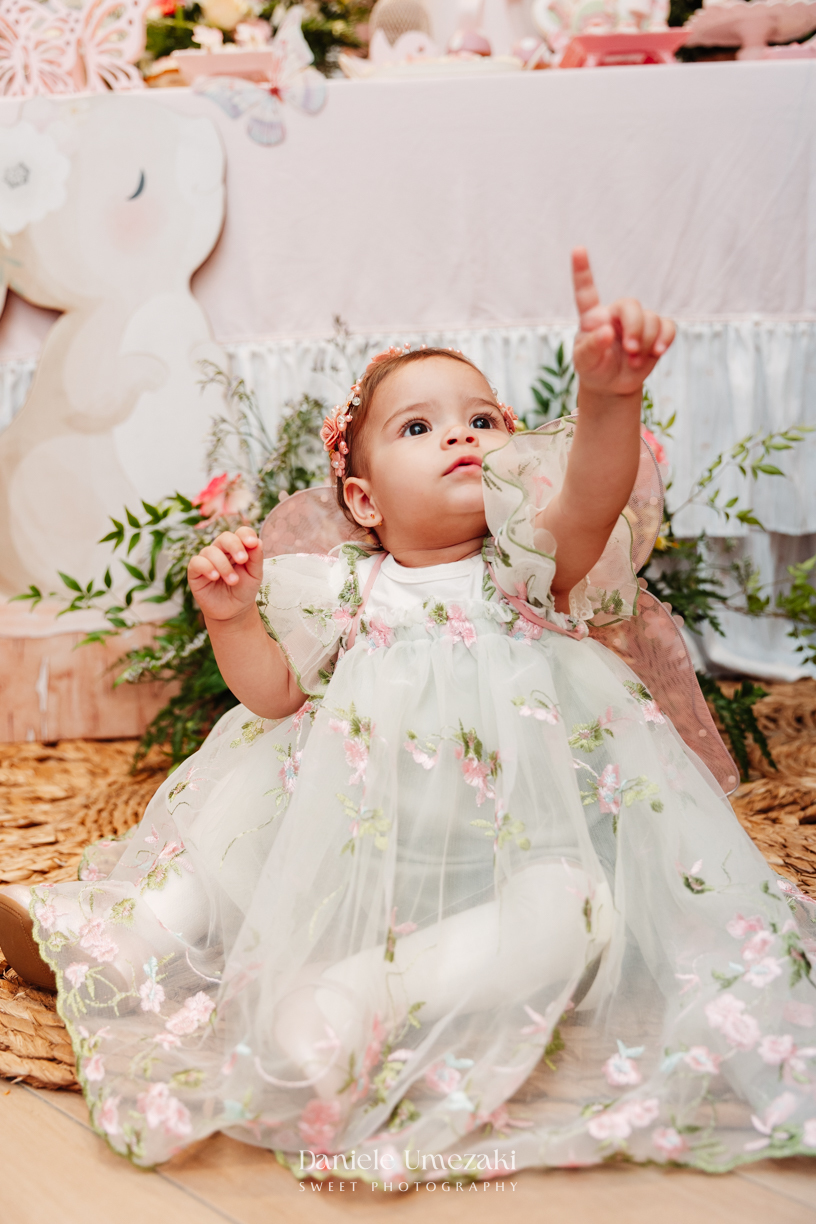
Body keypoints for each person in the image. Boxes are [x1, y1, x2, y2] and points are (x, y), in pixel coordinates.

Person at [2, 250, 815, 1178]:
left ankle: (361, 998)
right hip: (352, 838)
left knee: (575, 912)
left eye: (482, 420)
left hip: (507, 850)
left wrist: (608, 396)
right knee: (238, 826)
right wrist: (230, 617)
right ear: (362, 498)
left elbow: (593, 492)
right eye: (419, 426)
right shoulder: (342, 587)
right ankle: (134, 930)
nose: (460, 437)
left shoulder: (529, 567)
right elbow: (272, 694)